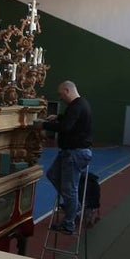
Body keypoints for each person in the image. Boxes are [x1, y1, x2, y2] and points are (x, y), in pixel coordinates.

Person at [45, 80, 93, 235]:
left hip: (75, 153)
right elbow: (70, 120)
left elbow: (66, 127)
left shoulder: (77, 106)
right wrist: (58, 117)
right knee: (52, 175)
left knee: (69, 189)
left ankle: (69, 224)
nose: (60, 98)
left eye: (60, 94)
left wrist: (43, 125)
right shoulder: (79, 105)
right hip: (71, 152)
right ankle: (75, 206)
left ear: (67, 90)